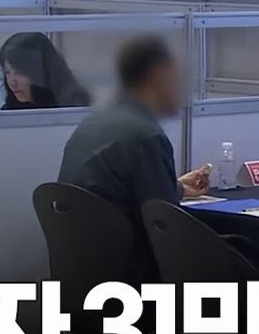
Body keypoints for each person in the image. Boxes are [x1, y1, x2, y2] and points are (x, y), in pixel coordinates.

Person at [58, 35, 210, 282]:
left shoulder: (95, 122)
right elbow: (165, 222)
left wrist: (181, 188)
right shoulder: (145, 136)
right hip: (131, 270)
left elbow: (121, 192)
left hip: (85, 266)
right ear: (159, 75)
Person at [0, 32, 91, 110]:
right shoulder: (10, 110)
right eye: (7, 73)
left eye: (19, 72)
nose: (12, 82)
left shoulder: (75, 105)